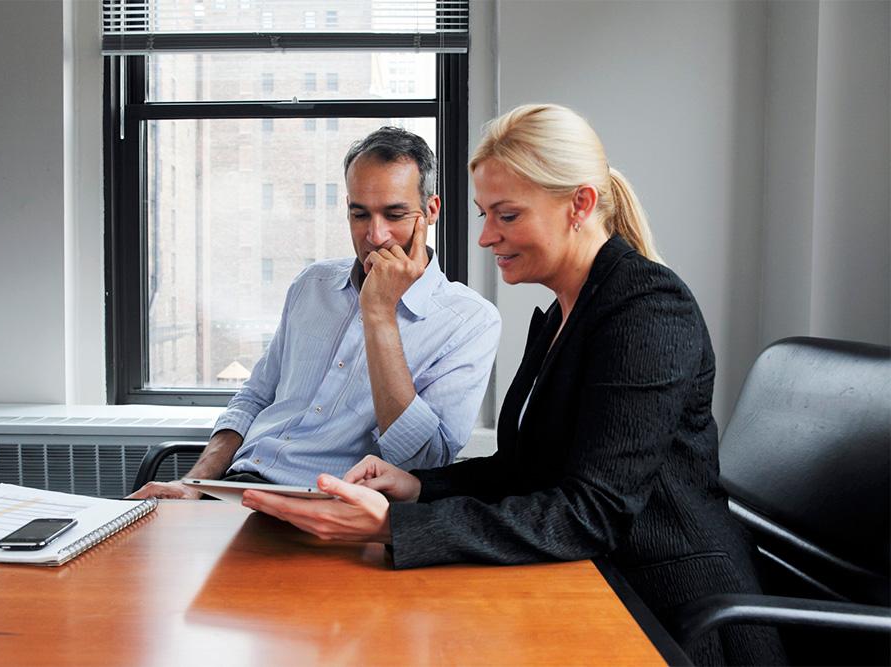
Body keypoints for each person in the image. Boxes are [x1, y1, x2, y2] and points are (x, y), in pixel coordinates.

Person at [241, 105, 785, 666]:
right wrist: (416, 487)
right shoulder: (558, 316)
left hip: (670, 616)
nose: (484, 237)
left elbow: (591, 512)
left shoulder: (649, 309)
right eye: (484, 215)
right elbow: (523, 471)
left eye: (505, 216)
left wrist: (395, 526)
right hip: (591, 584)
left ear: (580, 205)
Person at [131, 127, 500, 499]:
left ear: (430, 211)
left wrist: (379, 315)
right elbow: (255, 398)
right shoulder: (313, 284)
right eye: (359, 214)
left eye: (394, 214)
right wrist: (194, 484)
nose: (375, 235)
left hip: (328, 506)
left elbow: (425, 459)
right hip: (235, 489)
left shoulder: (470, 322)